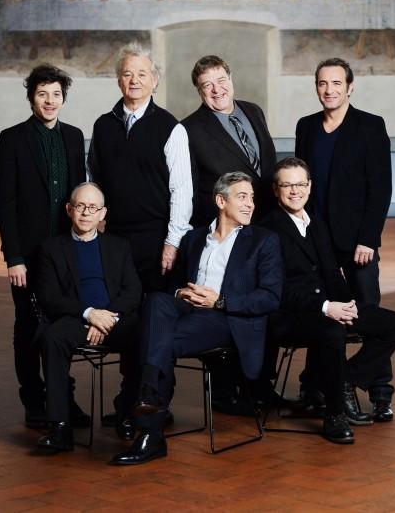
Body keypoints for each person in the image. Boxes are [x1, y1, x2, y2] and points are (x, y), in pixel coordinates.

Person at [111, 172, 283, 465]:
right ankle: (150, 397)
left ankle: (149, 426)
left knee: (154, 336)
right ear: (220, 200)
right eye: (242, 197)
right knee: (157, 301)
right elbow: (173, 285)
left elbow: (270, 297)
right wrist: (181, 293)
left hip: (226, 318)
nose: (250, 204)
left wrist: (220, 300)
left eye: (252, 198)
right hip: (188, 309)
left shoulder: (263, 241)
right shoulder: (194, 238)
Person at [261, 158, 395, 433]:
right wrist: (327, 307)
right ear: (275, 189)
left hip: (331, 306)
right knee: (332, 331)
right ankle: (335, 414)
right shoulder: (268, 230)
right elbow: (277, 290)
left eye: (301, 184)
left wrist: (348, 304)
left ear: (310, 186)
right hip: (291, 315)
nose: (295, 191)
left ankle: (346, 379)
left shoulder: (316, 224)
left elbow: (332, 274)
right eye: (287, 185)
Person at [295, 58, 395, 413]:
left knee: (368, 314)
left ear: (350, 87)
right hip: (318, 243)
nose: (329, 90)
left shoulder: (370, 126)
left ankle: (380, 392)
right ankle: (314, 388)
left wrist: (368, 238)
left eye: (337, 83)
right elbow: (302, 186)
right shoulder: (306, 127)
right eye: (323, 83)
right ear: (316, 87)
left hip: (358, 245)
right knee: (322, 314)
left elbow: (380, 188)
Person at [0, 65, 86, 428]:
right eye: (42, 94)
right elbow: (7, 203)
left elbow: (80, 196)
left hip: (66, 253)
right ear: (31, 97)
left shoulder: (76, 136)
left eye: (56, 95)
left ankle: (63, 398)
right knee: (29, 326)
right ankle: (34, 400)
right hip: (28, 255)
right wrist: (14, 257)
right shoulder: (13, 138)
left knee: (64, 326)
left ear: (63, 98)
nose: (50, 101)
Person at [35, 182, 142, 453]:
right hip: (76, 317)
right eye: (80, 206)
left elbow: (133, 291)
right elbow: (49, 296)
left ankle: (127, 413)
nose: (85, 212)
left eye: (92, 207)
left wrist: (109, 318)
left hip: (113, 318)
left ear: (102, 213)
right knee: (52, 338)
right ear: (69, 210)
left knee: (145, 334)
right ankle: (60, 427)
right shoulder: (51, 248)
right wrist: (90, 314)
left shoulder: (119, 247)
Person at [88, 42, 192, 294]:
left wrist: (173, 241)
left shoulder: (171, 128)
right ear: (118, 81)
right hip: (113, 235)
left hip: (155, 237)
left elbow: (182, 189)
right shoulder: (103, 126)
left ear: (155, 81)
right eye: (127, 74)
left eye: (142, 74)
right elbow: (94, 177)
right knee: (116, 304)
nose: (134, 80)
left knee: (152, 306)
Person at [182, 54, 277, 227]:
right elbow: (189, 192)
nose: (217, 90)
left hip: (271, 218)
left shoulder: (254, 110)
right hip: (227, 228)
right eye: (207, 85)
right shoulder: (187, 129)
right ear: (199, 90)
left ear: (231, 78)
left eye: (221, 80)